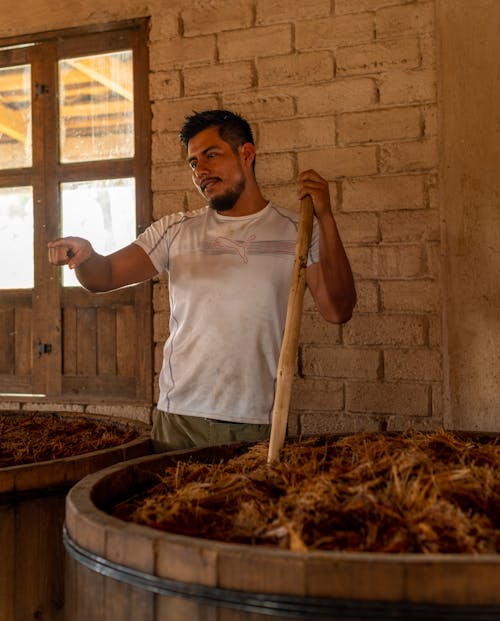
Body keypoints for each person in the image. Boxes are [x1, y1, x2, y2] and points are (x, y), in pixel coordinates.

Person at [48, 109, 356, 451]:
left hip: (255, 421)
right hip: (178, 419)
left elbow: (337, 309)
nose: (201, 171)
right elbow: (104, 277)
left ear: (246, 154)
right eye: (193, 163)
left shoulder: (295, 233)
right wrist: (86, 258)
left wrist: (326, 218)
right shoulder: (175, 231)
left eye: (211, 155)